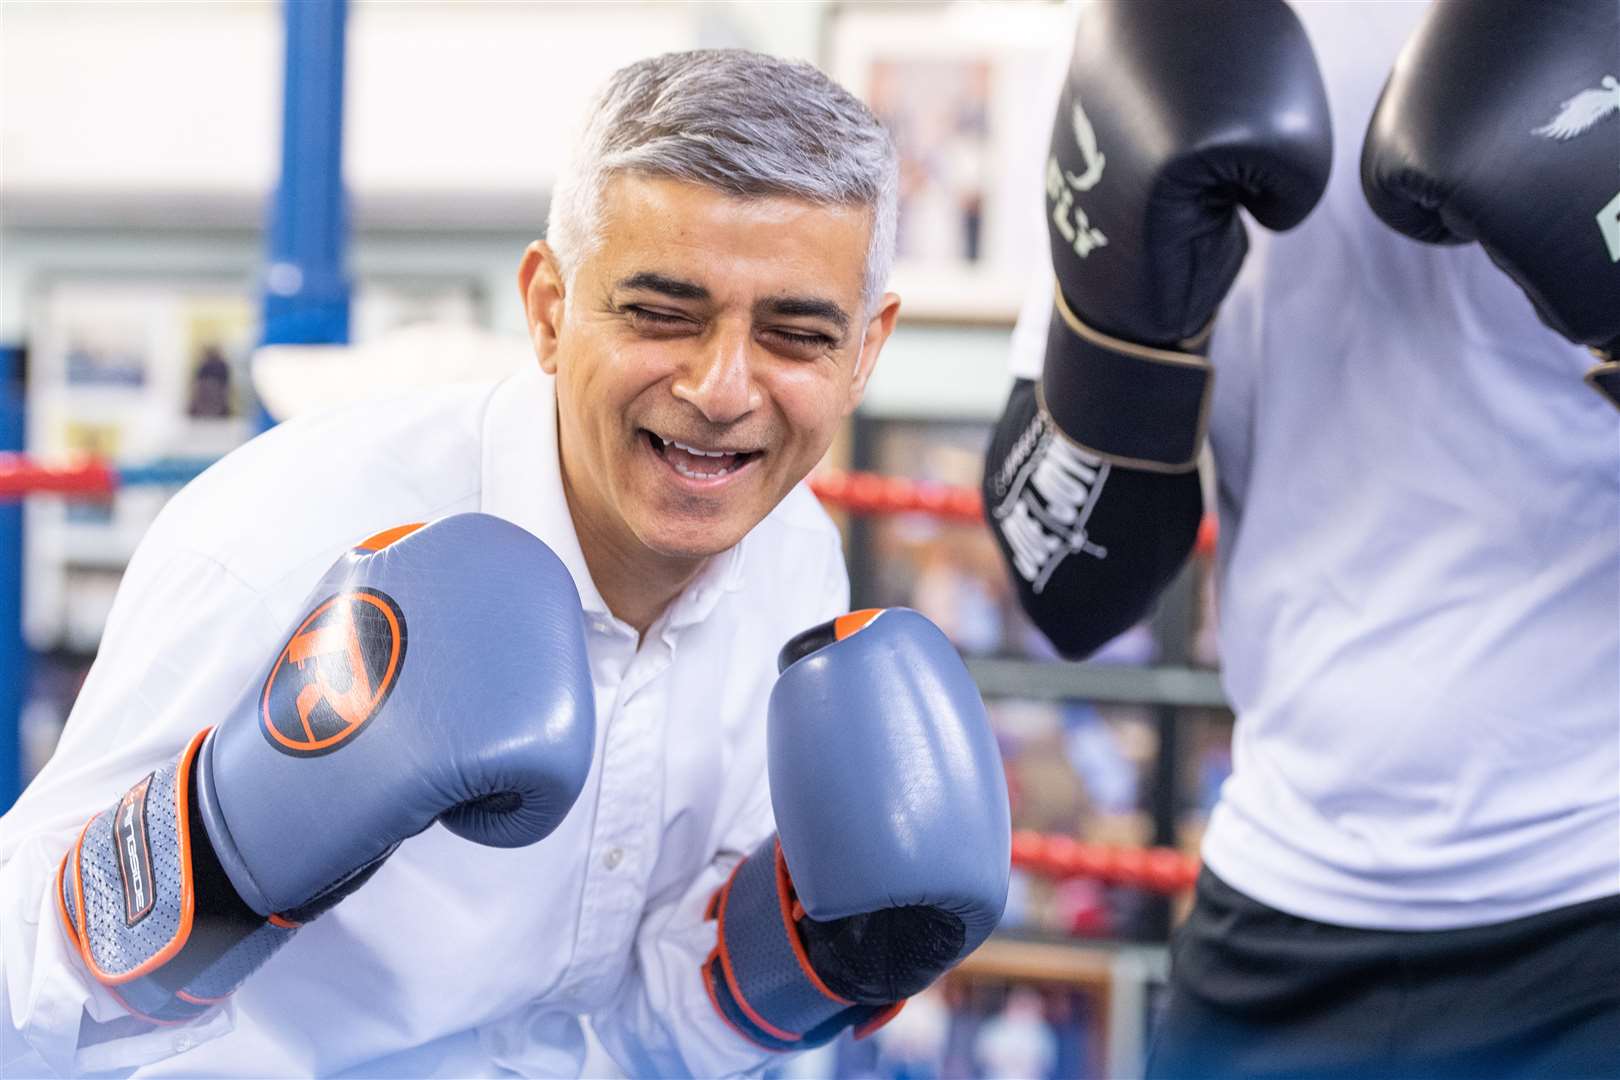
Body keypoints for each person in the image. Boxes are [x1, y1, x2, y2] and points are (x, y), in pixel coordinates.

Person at [0, 49, 1010, 1077]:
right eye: (662, 314)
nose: (721, 388)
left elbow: (636, 1030)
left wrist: (808, 963)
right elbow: (14, 999)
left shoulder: (794, 566)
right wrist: (220, 854)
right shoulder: (282, 538)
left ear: (866, 351)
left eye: (796, 334)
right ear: (548, 309)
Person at [984, 1, 1619, 1077]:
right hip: (1271, 910)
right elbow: (1067, 583)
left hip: (1593, 899)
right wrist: (1134, 325)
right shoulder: (1179, 24)